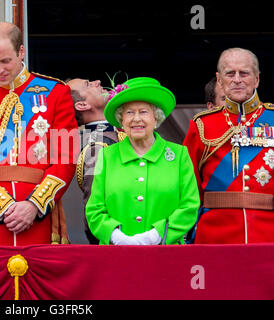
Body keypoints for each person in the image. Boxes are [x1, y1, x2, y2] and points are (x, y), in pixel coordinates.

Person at [0, 22, 78, 246]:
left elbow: (66, 158)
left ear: (21, 52)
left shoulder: (56, 93)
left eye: (5, 61)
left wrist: (34, 205)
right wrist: (2, 206)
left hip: (38, 217)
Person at [86, 77, 200, 245]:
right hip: (116, 254)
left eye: (144, 112)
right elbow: (94, 209)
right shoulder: (106, 156)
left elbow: (189, 206)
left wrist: (156, 235)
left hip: (166, 254)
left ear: (156, 118)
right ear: (121, 120)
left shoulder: (179, 155)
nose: (136, 119)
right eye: (129, 112)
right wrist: (116, 237)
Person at [184, 48, 274, 244]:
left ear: (257, 79)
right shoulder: (201, 125)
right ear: (219, 80)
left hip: (269, 233)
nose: (237, 79)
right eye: (230, 73)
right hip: (215, 235)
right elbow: (188, 188)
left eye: (244, 73)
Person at [67, 77, 126, 244]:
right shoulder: (97, 146)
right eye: (88, 84)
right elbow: (94, 208)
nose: (97, 82)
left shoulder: (118, 134)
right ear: (82, 105)